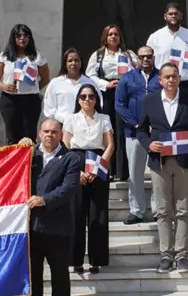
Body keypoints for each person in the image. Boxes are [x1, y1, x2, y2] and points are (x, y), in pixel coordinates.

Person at [136, 63, 188, 273]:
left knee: (183, 210)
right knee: (163, 210)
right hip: (160, 163)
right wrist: (148, 143)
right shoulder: (150, 100)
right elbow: (140, 130)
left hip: (185, 162)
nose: (170, 80)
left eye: (174, 76)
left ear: (178, 78)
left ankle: (182, 255)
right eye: (166, 77)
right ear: (160, 80)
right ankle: (166, 255)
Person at [20, 118, 82, 296]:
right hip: (31, 228)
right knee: (33, 278)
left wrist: (44, 200)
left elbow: (69, 188)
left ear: (61, 134)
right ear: (40, 133)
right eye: (46, 131)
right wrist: (20, 148)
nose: (50, 135)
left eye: (54, 132)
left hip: (58, 229)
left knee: (60, 277)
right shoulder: (30, 154)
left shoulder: (71, 158)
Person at [63, 84, 114, 274]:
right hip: (76, 160)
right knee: (76, 213)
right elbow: (65, 144)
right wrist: (76, 170)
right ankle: (75, 259)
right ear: (78, 99)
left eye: (91, 96)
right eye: (83, 96)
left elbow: (110, 145)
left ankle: (96, 259)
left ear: (96, 99)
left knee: (97, 213)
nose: (87, 100)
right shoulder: (71, 119)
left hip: (98, 161)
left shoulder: (104, 119)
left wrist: (98, 167)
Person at [115, 45, 162, 224]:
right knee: (135, 173)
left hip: (156, 133)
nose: (145, 60)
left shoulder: (160, 77)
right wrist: (135, 123)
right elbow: (119, 104)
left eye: (149, 56)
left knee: (158, 171)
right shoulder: (127, 78)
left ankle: (159, 210)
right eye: (142, 57)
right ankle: (137, 210)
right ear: (137, 59)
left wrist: (157, 124)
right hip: (134, 132)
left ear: (153, 58)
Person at [86, 24, 138, 181]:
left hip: (125, 93)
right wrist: (105, 84)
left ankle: (123, 172)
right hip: (106, 93)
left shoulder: (128, 54)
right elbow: (90, 75)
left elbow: (137, 71)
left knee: (122, 130)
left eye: (116, 34)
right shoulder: (99, 55)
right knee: (107, 131)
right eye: (110, 34)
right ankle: (107, 170)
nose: (113, 37)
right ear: (105, 37)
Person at [0, 24, 51, 144]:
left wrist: (33, 88)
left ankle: (29, 161)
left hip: (30, 100)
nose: (22, 38)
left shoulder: (37, 56)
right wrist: (4, 86)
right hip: (10, 100)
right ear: (13, 38)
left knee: (29, 135)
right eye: (18, 36)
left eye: (25, 35)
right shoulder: (4, 56)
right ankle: (14, 162)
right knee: (12, 135)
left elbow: (45, 78)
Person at [146, 2, 188, 91]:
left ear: (181, 16)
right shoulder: (155, 37)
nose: (173, 16)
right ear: (165, 16)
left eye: (176, 14)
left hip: (184, 84)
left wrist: (184, 74)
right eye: (170, 14)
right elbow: (149, 60)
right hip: (161, 85)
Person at [43, 48, 100, 124]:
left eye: (76, 60)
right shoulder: (55, 83)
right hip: (61, 124)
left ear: (81, 62)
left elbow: (99, 104)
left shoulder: (90, 83)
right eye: (70, 61)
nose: (73, 63)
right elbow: (49, 108)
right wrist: (65, 119)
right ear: (65, 64)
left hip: (85, 124)